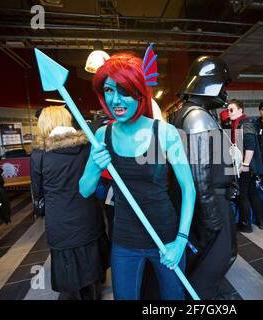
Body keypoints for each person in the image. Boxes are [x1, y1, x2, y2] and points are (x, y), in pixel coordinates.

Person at [79, 52, 196, 300]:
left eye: (124, 91)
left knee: (173, 299)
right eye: (109, 91)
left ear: (139, 92)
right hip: (124, 240)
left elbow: (189, 188)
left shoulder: (165, 133)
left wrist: (180, 241)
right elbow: (85, 190)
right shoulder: (102, 134)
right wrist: (94, 167)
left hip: (166, 236)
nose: (116, 100)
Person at [170, 55, 237, 299]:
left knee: (212, 256)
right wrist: (211, 214)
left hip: (207, 198)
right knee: (218, 258)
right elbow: (200, 172)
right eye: (223, 84)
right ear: (210, 83)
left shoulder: (188, 113)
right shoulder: (197, 116)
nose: (225, 91)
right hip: (210, 200)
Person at [30, 106, 110, 300]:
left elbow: (38, 191)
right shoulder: (87, 147)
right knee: (92, 259)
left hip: (60, 220)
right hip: (89, 214)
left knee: (69, 271)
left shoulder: (39, 155)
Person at [228, 99, 263, 232]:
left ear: (240, 110)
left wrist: (245, 164)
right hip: (248, 165)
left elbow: (250, 146)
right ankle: (260, 220)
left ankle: (246, 224)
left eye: (231, 109)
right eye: (228, 110)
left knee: (243, 194)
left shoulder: (245, 124)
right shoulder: (239, 124)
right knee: (252, 193)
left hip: (247, 165)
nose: (229, 112)